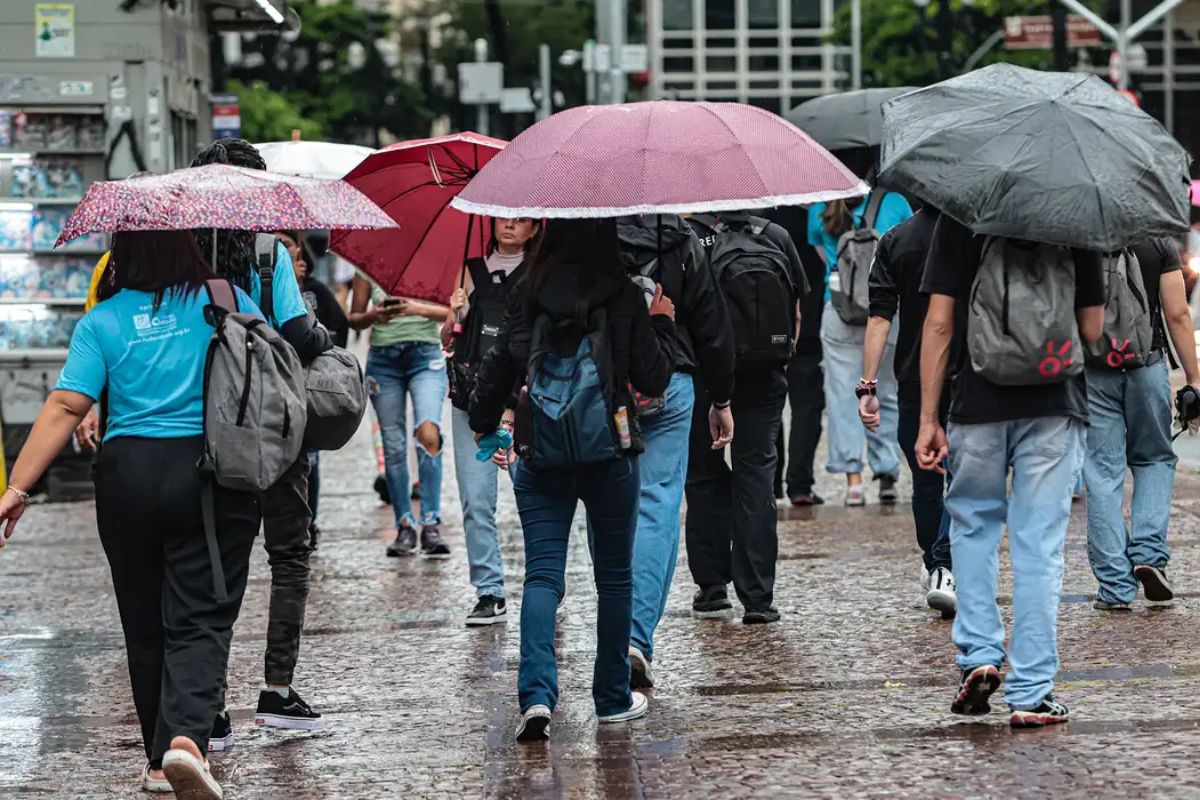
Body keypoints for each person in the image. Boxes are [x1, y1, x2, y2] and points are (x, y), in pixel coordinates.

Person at [0, 230, 263, 800]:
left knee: (144, 622)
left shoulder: (102, 320)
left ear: (121, 257)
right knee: (203, 610)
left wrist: (18, 488)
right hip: (208, 470)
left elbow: (67, 403)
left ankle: (155, 759)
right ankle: (187, 741)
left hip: (127, 475)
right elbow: (266, 375)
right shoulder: (228, 299)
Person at [469, 217, 677, 742]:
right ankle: (610, 699)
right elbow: (654, 378)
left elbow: (499, 367)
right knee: (614, 577)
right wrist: (662, 323)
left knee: (542, 576)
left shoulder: (528, 291)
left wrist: (483, 421)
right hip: (609, 449)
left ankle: (537, 697)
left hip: (541, 451)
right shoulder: (623, 293)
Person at [917, 214, 1104, 729]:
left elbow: (938, 322)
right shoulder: (1074, 219)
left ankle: (978, 653)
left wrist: (929, 418)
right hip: (1055, 402)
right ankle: (1032, 691)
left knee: (973, 529)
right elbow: (1091, 329)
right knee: (1039, 546)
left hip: (976, 403)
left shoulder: (961, 218)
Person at [192, 139, 333, 737]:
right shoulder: (271, 253)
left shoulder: (179, 256)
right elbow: (301, 337)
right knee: (289, 554)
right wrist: (322, 336)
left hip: (204, 428)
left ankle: (210, 702)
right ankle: (277, 689)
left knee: (213, 564)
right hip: (275, 430)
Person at [616, 213, 735, 687]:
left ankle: (617, 631)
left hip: (605, 382)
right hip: (671, 378)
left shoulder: (585, 228)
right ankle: (636, 636)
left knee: (610, 507)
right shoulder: (680, 236)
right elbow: (711, 324)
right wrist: (721, 398)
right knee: (658, 505)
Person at [685, 210, 809, 624]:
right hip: (765, 375)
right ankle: (758, 597)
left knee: (704, 474)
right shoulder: (776, 235)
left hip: (705, 374)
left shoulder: (690, 236)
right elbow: (795, 310)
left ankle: (712, 587)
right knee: (756, 475)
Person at [1083, 237, 1200, 610]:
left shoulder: (1079, 237)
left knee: (1103, 474)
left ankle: (1115, 586)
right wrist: (1195, 379)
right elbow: (1178, 315)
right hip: (1146, 365)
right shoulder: (1158, 243)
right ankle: (1149, 554)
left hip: (1094, 370)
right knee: (1153, 459)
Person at [441, 217, 541, 625]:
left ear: (535, 228)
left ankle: (544, 581)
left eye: (520, 221)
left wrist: (514, 406)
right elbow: (450, 340)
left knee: (533, 497)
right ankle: (489, 590)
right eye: (503, 218)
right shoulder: (472, 269)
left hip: (524, 403)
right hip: (471, 400)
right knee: (475, 500)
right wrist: (454, 316)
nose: (510, 226)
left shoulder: (539, 275)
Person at [860, 206, 956, 615]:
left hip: (915, 374)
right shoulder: (971, 235)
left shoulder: (895, 240)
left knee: (926, 478)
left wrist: (867, 385)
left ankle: (938, 562)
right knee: (965, 475)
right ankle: (944, 565)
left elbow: (880, 317)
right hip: (969, 371)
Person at [808, 189, 912, 505]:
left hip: (838, 310)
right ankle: (887, 472)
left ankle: (854, 482)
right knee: (885, 393)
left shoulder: (818, 206)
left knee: (843, 396)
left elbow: (824, 257)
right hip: (884, 311)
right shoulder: (895, 203)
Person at [349, 273, 451, 557]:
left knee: (429, 433)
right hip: (383, 362)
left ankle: (431, 522)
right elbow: (354, 318)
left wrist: (416, 309)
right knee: (393, 447)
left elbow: (451, 312)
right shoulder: (367, 264)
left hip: (426, 356)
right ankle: (404, 525)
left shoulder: (431, 261)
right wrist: (374, 315)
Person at [279, 230, 350, 551]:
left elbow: (339, 324)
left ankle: (308, 522)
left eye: (289, 247)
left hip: (306, 384)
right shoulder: (265, 286)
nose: (282, 250)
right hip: (276, 384)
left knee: (310, 457)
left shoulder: (315, 291)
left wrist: (329, 359)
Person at [764, 205, 827, 506]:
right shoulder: (818, 219)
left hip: (769, 328)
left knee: (770, 406)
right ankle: (799, 484)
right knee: (807, 408)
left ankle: (771, 482)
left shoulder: (763, 224)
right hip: (811, 324)